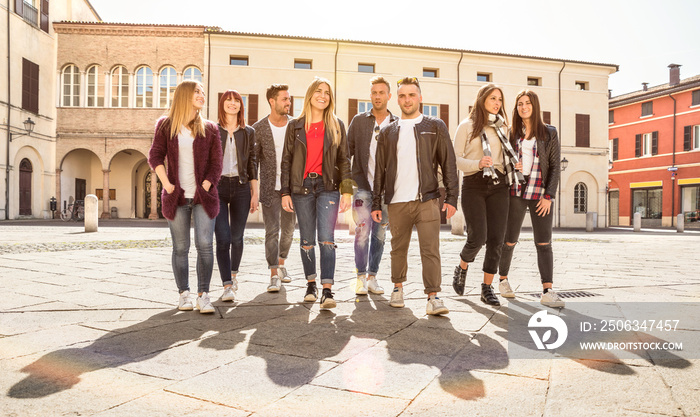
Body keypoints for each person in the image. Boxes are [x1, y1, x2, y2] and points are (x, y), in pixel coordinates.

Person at [371, 77, 459, 316]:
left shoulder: (435, 125)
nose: (407, 100)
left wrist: (452, 197)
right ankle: (397, 289)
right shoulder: (388, 130)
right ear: (396, 99)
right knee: (398, 248)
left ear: (420, 97)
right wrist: (377, 202)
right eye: (402, 96)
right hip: (397, 201)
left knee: (430, 249)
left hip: (427, 199)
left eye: (411, 95)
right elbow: (380, 169)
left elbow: (448, 162)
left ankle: (433, 297)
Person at [148, 80, 222, 313]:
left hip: (203, 197)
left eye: (202, 92)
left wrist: (207, 185)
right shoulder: (165, 125)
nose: (202, 95)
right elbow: (155, 156)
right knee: (180, 248)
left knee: (205, 246)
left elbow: (216, 163)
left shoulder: (209, 128)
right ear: (184, 96)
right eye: (197, 92)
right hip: (176, 197)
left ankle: (204, 295)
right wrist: (168, 185)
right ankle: (184, 294)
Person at [280, 77, 353, 309]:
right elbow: (286, 161)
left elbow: (344, 160)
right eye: (319, 91)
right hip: (301, 188)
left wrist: (347, 191)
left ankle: (327, 290)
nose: (323, 95)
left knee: (327, 239)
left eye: (327, 93)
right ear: (310, 94)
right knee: (307, 240)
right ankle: (311, 284)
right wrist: (285, 192)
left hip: (327, 187)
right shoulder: (295, 125)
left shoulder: (337, 125)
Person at [452, 83, 523, 306]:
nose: (497, 103)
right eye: (493, 98)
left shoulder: (504, 128)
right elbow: (455, 160)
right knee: (478, 237)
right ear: (482, 99)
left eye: (500, 100)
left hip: (500, 184)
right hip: (474, 184)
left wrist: (515, 165)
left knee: (496, 240)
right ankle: (462, 267)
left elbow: (507, 156)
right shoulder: (467, 125)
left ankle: (486, 287)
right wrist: (478, 163)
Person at [497, 90, 564, 308]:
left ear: (534, 106)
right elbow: (504, 162)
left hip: (539, 194)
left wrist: (549, 196)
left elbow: (554, 167)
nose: (523, 107)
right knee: (510, 239)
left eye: (527, 103)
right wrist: (512, 165)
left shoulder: (549, 133)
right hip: (516, 191)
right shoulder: (512, 132)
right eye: (519, 104)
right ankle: (503, 280)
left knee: (544, 242)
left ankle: (547, 290)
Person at [347, 76, 397, 295]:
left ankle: (372, 278)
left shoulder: (397, 124)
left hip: (387, 191)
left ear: (389, 96)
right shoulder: (359, 121)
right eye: (374, 92)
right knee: (362, 232)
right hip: (361, 186)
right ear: (370, 95)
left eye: (382, 92)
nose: (378, 96)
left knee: (380, 234)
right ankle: (359, 277)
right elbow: (345, 153)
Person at [214, 90, 258, 302]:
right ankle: (227, 286)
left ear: (241, 106)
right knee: (222, 238)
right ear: (222, 104)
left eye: (236, 101)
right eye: (228, 100)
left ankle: (233, 274)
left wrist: (254, 193)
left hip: (241, 188)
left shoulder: (248, 132)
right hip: (218, 188)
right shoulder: (212, 130)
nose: (232, 104)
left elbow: (252, 164)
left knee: (237, 237)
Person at [253, 84, 296, 292]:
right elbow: (253, 161)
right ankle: (273, 274)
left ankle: (281, 265)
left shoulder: (296, 126)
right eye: (284, 99)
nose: (288, 103)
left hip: (292, 189)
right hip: (269, 188)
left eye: (289, 99)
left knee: (288, 231)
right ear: (272, 101)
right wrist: (254, 190)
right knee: (272, 231)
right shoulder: (259, 128)